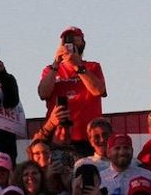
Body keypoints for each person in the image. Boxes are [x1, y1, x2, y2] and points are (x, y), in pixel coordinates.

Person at [38, 26, 107, 155]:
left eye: (75, 38)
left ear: (83, 43)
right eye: (66, 40)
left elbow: (98, 90)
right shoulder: (50, 70)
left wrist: (78, 66)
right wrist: (56, 63)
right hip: (59, 137)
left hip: (88, 138)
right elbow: (43, 93)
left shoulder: (93, 67)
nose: (71, 43)